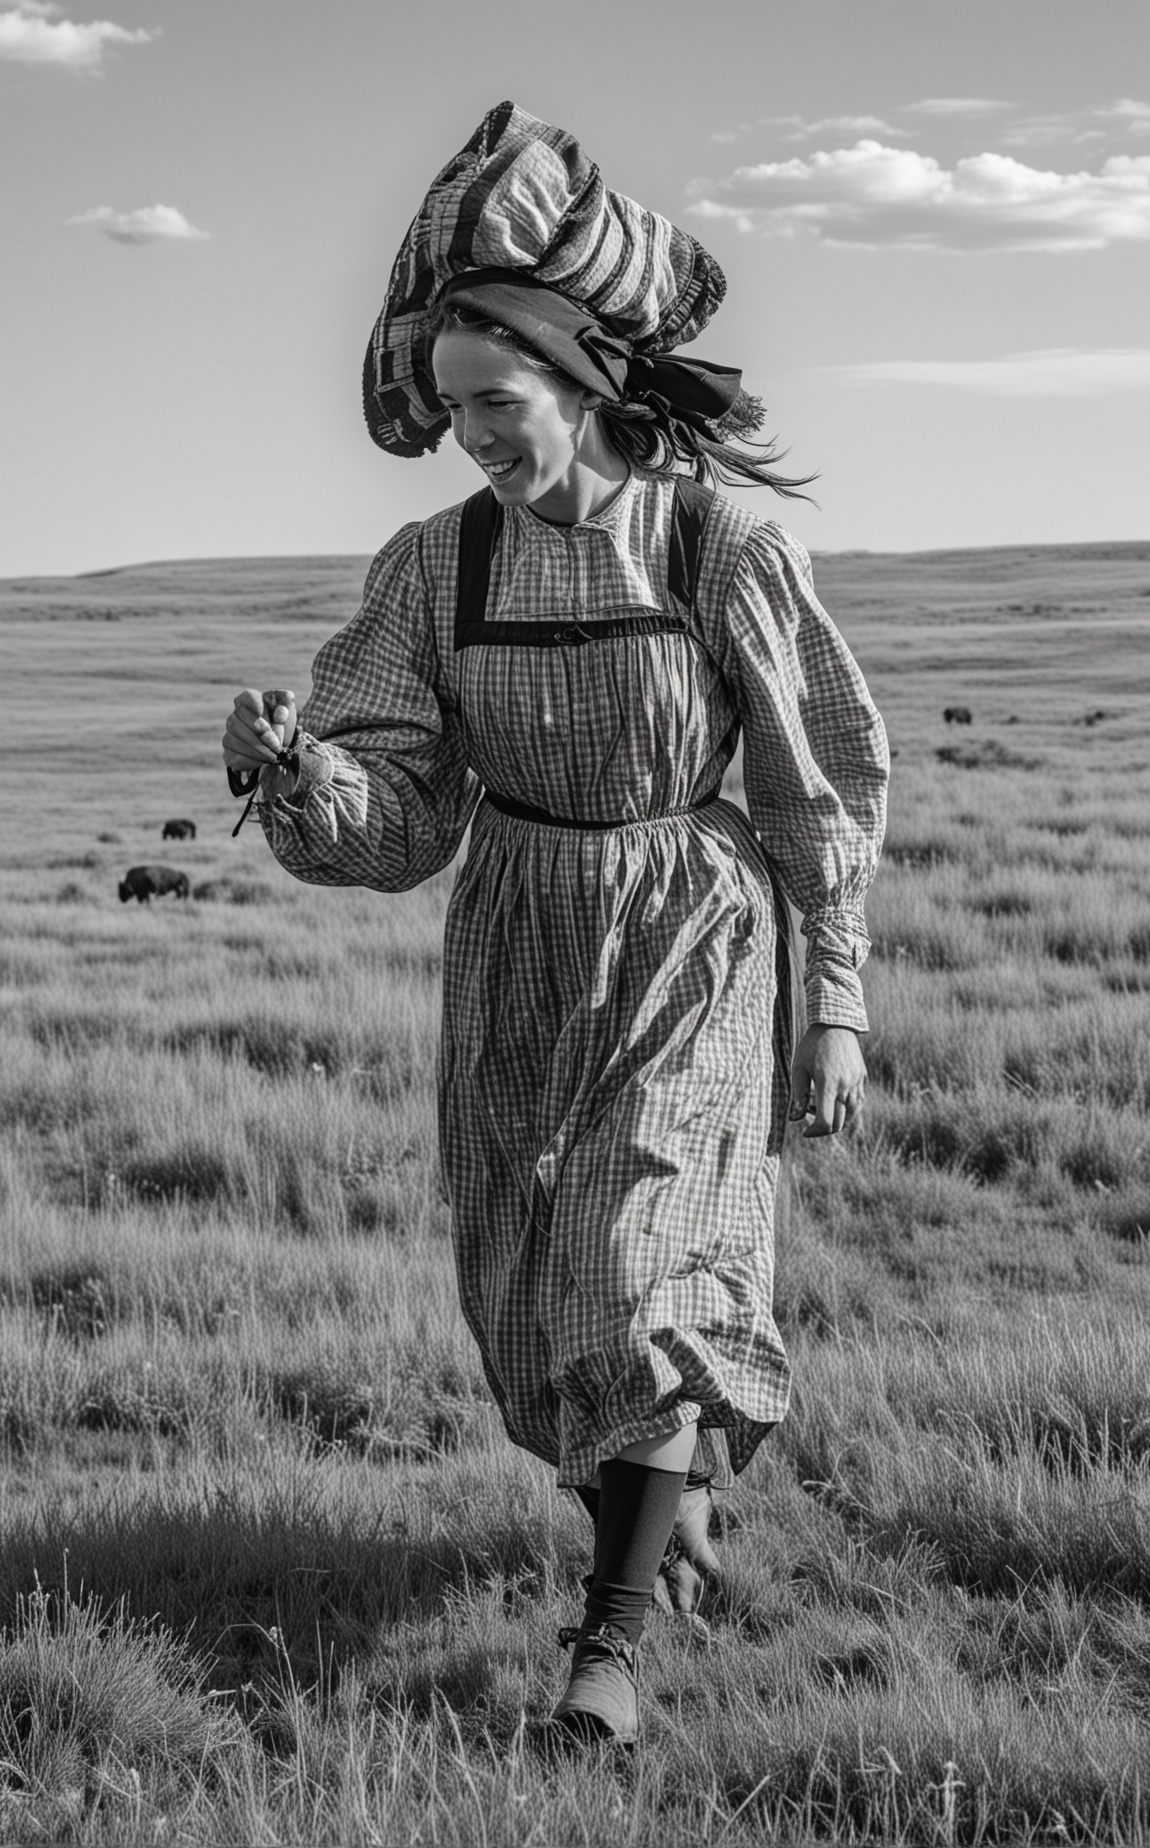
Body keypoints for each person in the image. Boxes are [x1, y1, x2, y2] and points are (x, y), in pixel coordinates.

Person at [222, 101, 888, 1746]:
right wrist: (303, 775)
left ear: (582, 388)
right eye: (448, 413)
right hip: (519, 934)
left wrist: (838, 997)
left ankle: (609, 1648)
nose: (473, 440)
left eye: (496, 405)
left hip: (690, 935)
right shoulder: (433, 570)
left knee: (640, 1258)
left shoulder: (720, 544)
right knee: (537, 1291)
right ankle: (667, 1514)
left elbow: (820, 778)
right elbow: (407, 817)